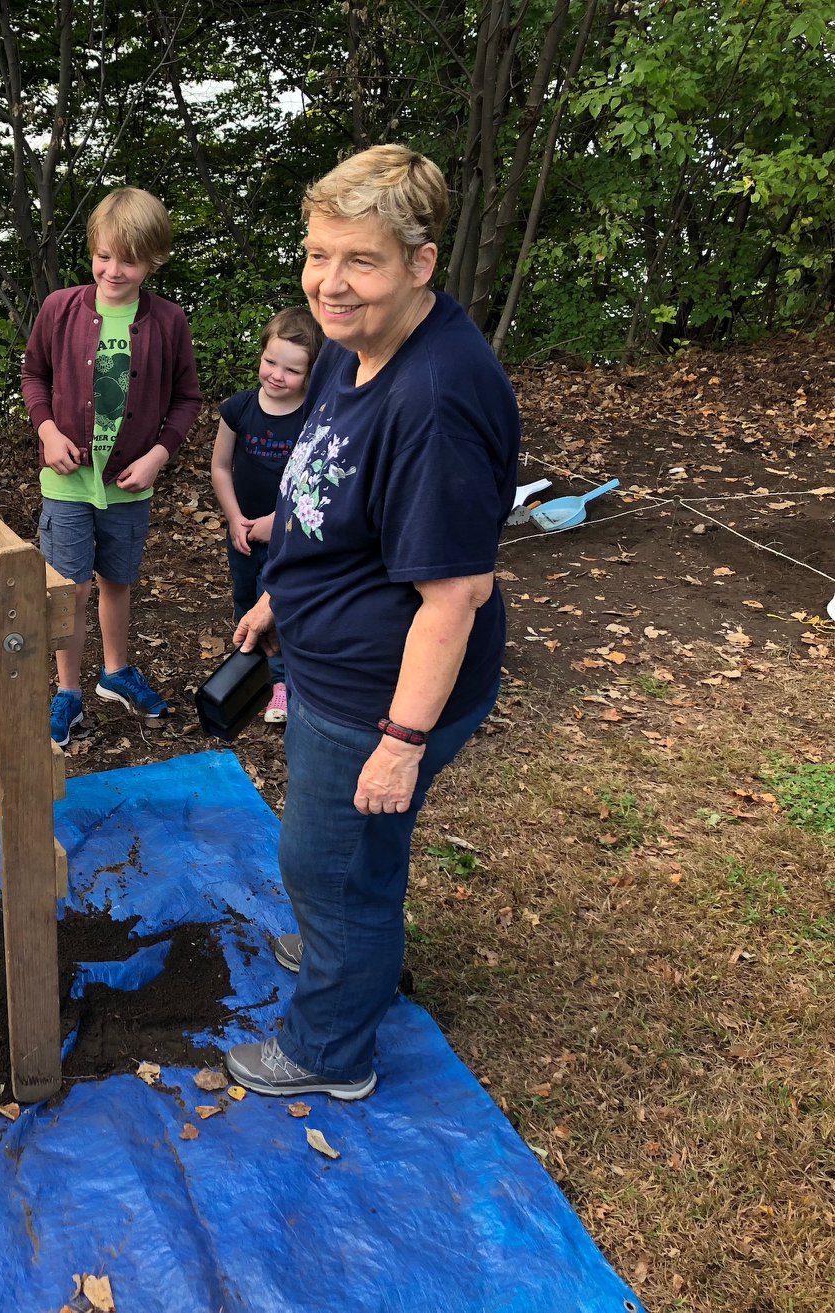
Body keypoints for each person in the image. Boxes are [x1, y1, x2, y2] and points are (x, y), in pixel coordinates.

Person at [223, 146, 519, 1101]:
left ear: (421, 264)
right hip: (332, 664)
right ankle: (346, 953)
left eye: (361, 260)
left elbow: (453, 598)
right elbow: (330, 500)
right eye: (317, 254)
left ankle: (327, 1048)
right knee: (345, 859)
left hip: (377, 695)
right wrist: (279, 597)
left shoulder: (435, 400)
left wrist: (399, 742)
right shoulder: (360, 350)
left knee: (332, 861)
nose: (329, 283)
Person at [22, 187, 202, 747]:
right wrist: (48, 432)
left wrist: (158, 455)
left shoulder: (169, 322)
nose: (113, 270)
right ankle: (69, 690)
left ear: (155, 260)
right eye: (104, 256)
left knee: (116, 582)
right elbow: (33, 378)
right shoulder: (61, 308)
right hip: (68, 484)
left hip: (128, 489)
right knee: (69, 589)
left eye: (129, 259)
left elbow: (187, 399)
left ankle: (117, 672)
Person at [208, 307, 323, 725]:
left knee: (278, 604)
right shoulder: (238, 408)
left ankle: (281, 683)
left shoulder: (314, 416)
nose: (276, 375)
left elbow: (316, 480)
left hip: (288, 533)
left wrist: (279, 520)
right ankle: (249, 670)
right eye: (270, 361)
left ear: (310, 373)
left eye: (291, 370)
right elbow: (221, 467)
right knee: (245, 599)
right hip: (242, 532)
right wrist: (235, 518)